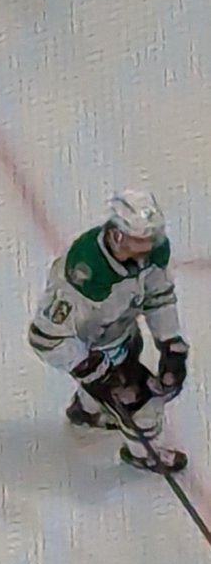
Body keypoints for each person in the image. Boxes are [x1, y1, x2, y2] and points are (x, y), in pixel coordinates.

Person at [28, 190, 190, 472]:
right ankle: (144, 454)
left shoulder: (149, 253)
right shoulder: (85, 275)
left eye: (154, 236)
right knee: (143, 404)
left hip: (121, 331)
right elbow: (45, 338)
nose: (151, 245)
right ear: (118, 235)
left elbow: (158, 295)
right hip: (93, 348)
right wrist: (90, 368)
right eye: (142, 239)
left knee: (129, 362)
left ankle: (87, 411)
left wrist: (170, 343)